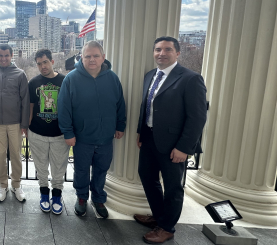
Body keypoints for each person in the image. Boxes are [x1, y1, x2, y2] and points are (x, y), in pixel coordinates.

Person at [134, 36, 207, 243]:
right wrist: (141, 132)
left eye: (167, 50)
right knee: (148, 178)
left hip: (174, 145)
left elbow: (197, 117)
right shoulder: (150, 75)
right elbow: (146, 106)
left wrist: (184, 147)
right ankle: (159, 217)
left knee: (173, 186)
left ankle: (166, 228)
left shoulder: (190, 78)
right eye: (158, 49)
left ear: (177, 53)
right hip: (149, 139)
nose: (161, 53)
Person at [58, 41, 126, 219]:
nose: (92, 59)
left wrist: (120, 125)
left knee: (101, 170)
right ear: (81, 58)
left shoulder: (112, 78)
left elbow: (120, 104)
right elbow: (63, 108)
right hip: (82, 138)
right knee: (81, 170)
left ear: (103, 57)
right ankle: (81, 198)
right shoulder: (71, 79)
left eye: (96, 55)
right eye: (87, 56)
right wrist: (68, 133)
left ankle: (98, 198)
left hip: (105, 138)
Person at [0, 44, 30, 202]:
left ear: (11, 56)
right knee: (1, 154)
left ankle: (16, 185)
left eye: (6, 55)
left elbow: (25, 99)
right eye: (0, 55)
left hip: (15, 123)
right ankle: (3, 185)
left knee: (16, 155)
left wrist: (24, 124)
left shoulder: (20, 74)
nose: (3, 58)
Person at [27, 49, 70, 214]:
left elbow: (70, 107)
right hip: (37, 133)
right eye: (39, 64)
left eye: (45, 62)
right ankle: (44, 195)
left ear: (52, 62)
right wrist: (28, 127)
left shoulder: (65, 80)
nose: (42, 66)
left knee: (59, 167)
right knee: (41, 167)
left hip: (59, 134)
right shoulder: (33, 82)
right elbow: (31, 106)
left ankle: (57, 196)